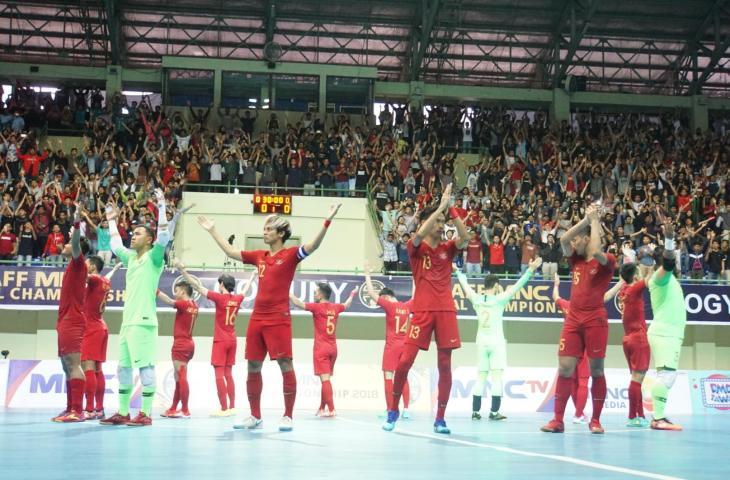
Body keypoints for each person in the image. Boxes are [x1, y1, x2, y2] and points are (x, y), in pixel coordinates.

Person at [197, 205, 340, 432]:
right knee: (253, 366)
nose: (264, 232)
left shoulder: (291, 254)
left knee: (285, 364)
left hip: (279, 318)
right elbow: (231, 253)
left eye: (269, 229)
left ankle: (288, 415)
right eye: (264, 229)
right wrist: (213, 230)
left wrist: (327, 220)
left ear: (281, 233)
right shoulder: (259, 256)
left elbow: (313, 246)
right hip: (257, 319)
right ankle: (255, 416)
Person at [383, 183, 468, 435]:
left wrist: (450, 209)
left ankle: (440, 418)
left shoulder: (447, 249)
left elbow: (465, 238)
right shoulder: (415, 248)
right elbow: (418, 235)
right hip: (421, 312)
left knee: (445, 365)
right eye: (438, 221)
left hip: (445, 311)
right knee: (405, 362)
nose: (442, 226)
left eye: (443, 222)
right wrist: (438, 208)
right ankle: (393, 410)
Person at [541, 205, 616, 434]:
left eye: (578, 241)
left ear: (588, 240)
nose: (573, 244)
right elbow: (564, 239)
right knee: (564, 368)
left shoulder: (607, 261)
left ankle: (595, 420)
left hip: (595, 320)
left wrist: (595, 222)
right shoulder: (575, 261)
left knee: (596, 370)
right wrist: (586, 219)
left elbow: (595, 250)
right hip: (573, 320)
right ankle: (558, 420)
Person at [100, 189, 169, 427]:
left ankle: (146, 413)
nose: (133, 236)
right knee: (124, 369)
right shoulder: (131, 258)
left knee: (147, 368)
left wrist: (161, 206)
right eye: (133, 232)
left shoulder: (154, 258)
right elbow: (115, 242)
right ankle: (122, 411)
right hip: (128, 322)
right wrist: (111, 220)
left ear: (148, 239)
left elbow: (164, 236)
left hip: (144, 322)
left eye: (138, 233)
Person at [455, 256, 543, 422]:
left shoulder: (476, 299)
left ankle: (475, 412)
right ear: (496, 286)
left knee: (481, 376)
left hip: (481, 342)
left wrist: (458, 272)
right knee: (496, 378)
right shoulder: (500, 299)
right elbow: (518, 286)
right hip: (496, 343)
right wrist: (530, 270)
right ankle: (494, 413)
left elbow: (465, 285)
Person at [175, 263, 256, 417]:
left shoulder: (219, 298)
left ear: (222, 284)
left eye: (219, 283)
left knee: (219, 373)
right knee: (228, 373)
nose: (218, 286)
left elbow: (198, 288)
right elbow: (245, 291)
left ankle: (223, 408)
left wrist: (183, 271)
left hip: (220, 340)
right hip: (233, 340)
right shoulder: (237, 299)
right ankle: (232, 407)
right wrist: (252, 277)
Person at [645, 212, 686, 430]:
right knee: (667, 376)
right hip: (665, 333)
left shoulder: (670, 280)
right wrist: (669, 239)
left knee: (668, 375)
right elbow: (670, 263)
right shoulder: (659, 278)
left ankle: (659, 417)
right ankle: (658, 418)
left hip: (670, 333)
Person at [289, 283, 356, 417]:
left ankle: (332, 410)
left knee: (325, 380)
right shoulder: (336, 308)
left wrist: (287, 291)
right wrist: (352, 293)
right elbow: (347, 304)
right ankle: (321, 408)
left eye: (315, 292)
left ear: (320, 295)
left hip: (321, 348)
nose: (314, 294)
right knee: (325, 380)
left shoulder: (317, 307)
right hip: (333, 348)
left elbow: (297, 303)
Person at [51, 206, 90, 423]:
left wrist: (76, 222)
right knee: (66, 365)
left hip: (73, 320)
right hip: (64, 320)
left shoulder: (79, 263)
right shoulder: (70, 268)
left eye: (69, 243)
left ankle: (78, 410)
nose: (65, 245)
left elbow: (75, 243)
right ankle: (69, 408)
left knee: (74, 364)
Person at [604, 263, 650, 427]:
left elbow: (609, 293)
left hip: (628, 339)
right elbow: (650, 278)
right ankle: (632, 417)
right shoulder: (634, 289)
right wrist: (648, 266)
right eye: (636, 272)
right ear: (633, 276)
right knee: (637, 380)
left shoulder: (623, 290)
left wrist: (633, 271)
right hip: (638, 338)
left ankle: (640, 415)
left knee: (636, 380)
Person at [364, 264, 413, 417]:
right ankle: (406, 410)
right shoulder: (407, 306)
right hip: (405, 346)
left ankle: (390, 410)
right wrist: (416, 278)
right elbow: (416, 296)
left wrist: (367, 274)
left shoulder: (389, 306)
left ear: (385, 297)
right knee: (403, 376)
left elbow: (371, 293)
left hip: (392, 347)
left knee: (388, 377)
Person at [81, 260, 122, 420]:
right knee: (97, 370)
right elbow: (107, 276)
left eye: (87, 263)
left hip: (91, 328)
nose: (85, 264)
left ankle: (89, 409)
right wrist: (115, 269)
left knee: (88, 367)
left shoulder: (96, 280)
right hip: (101, 327)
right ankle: (99, 408)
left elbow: (82, 275)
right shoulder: (105, 281)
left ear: (92, 267)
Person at [551, 273, 590, 424]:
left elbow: (555, 297)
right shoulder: (587, 310)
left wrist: (556, 284)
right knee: (583, 383)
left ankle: (578, 414)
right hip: (584, 347)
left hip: (569, 347)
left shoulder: (566, 306)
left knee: (573, 382)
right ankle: (578, 414)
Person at [156, 281, 199, 419]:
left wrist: (154, 290)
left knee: (181, 376)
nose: (175, 294)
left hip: (181, 344)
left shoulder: (184, 304)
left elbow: (168, 300)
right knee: (178, 377)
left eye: (177, 291)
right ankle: (174, 407)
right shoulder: (194, 305)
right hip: (189, 343)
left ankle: (185, 410)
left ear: (183, 292)